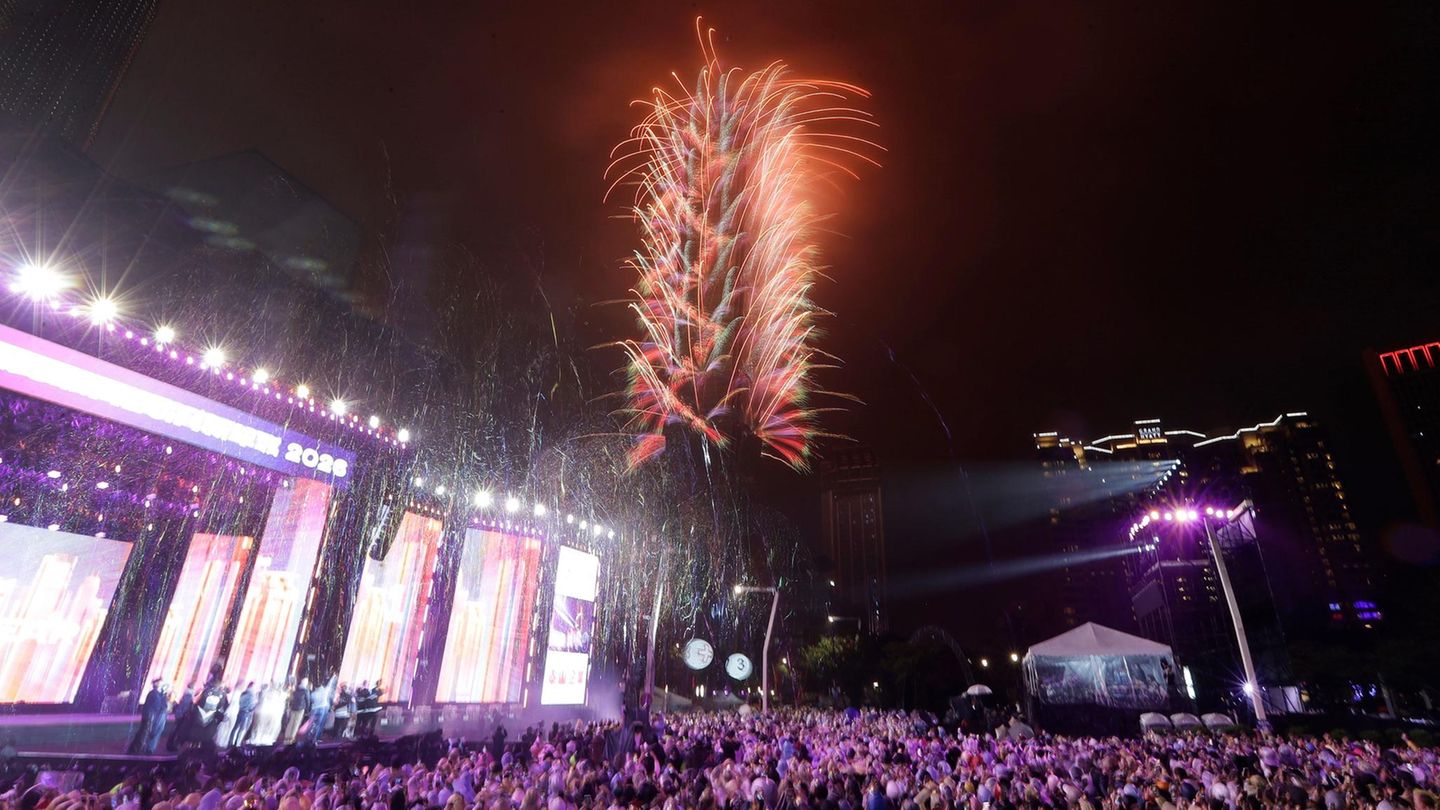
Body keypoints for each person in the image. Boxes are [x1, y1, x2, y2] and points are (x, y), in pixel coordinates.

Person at [129, 679, 169, 754]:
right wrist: (163, 698)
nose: (162, 685)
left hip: (149, 716)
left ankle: (136, 749)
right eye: (161, 683)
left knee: (144, 733)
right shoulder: (154, 693)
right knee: (144, 733)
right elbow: (159, 706)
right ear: (157, 684)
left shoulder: (156, 694)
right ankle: (136, 749)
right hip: (149, 716)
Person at [166, 683, 194, 752]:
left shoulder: (186, 695)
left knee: (175, 730)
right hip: (182, 716)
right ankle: (172, 745)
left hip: (180, 715)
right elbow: (184, 707)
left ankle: (171, 744)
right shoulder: (188, 696)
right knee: (177, 731)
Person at [229, 682, 257, 747]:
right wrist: (251, 708)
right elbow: (252, 705)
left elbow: (240, 702)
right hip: (246, 713)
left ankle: (231, 742)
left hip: (240, 711)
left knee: (235, 728)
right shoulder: (251, 695)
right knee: (241, 729)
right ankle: (236, 744)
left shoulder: (244, 693)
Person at [282, 678, 309, 744]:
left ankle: (286, 738)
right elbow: (308, 701)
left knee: (290, 723)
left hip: (293, 708)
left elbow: (292, 698)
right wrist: (307, 710)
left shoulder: (296, 689)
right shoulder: (306, 691)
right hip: (300, 709)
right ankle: (291, 739)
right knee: (296, 724)